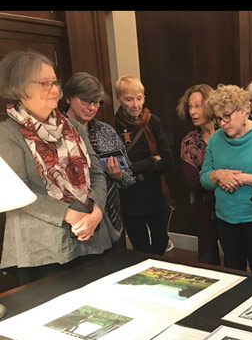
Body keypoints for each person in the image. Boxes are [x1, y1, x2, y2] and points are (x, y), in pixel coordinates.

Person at [0, 51, 116, 284]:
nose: (56, 90)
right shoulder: (8, 133)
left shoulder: (73, 126)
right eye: (45, 84)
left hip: (92, 232)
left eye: (55, 82)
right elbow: (19, 191)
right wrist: (70, 215)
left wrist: (96, 211)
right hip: (43, 248)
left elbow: (96, 173)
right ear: (20, 87)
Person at [200, 84, 252, 274]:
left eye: (227, 116)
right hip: (225, 218)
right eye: (218, 118)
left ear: (244, 111)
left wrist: (244, 178)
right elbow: (204, 178)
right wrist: (217, 175)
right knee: (232, 271)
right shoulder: (215, 139)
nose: (222, 123)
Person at [61, 72, 135, 243]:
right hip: (73, 218)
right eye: (86, 101)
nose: (92, 108)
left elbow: (129, 176)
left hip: (110, 213)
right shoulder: (55, 132)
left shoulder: (106, 131)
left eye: (96, 102)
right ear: (68, 98)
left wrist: (118, 175)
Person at [114, 75, 174, 255]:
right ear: (120, 99)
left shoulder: (152, 121)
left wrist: (138, 174)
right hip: (130, 197)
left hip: (154, 193)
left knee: (161, 243)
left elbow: (167, 158)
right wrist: (149, 161)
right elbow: (121, 166)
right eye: (129, 99)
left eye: (139, 98)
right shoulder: (113, 125)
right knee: (140, 248)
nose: (135, 104)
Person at [176, 84, 220, 265]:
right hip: (203, 205)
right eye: (190, 106)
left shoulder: (228, 132)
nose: (193, 111)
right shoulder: (189, 141)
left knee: (237, 255)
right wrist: (219, 176)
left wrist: (208, 175)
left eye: (198, 106)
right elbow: (193, 182)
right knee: (207, 255)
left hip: (232, 203)